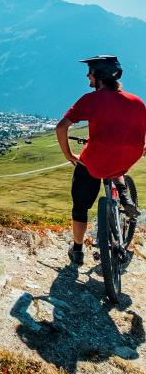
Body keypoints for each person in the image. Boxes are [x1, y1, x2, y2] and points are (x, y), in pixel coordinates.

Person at [55, 55, 146, 266]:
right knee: (115, 165)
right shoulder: (137, 102)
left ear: (100, 76)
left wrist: (69, 155)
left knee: (80, 204)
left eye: (90, 71)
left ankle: (77, 249)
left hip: (96, 160)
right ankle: (124, 196)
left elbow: (61, 127)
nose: (88, 75)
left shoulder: (91, 100)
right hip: (128, 156)